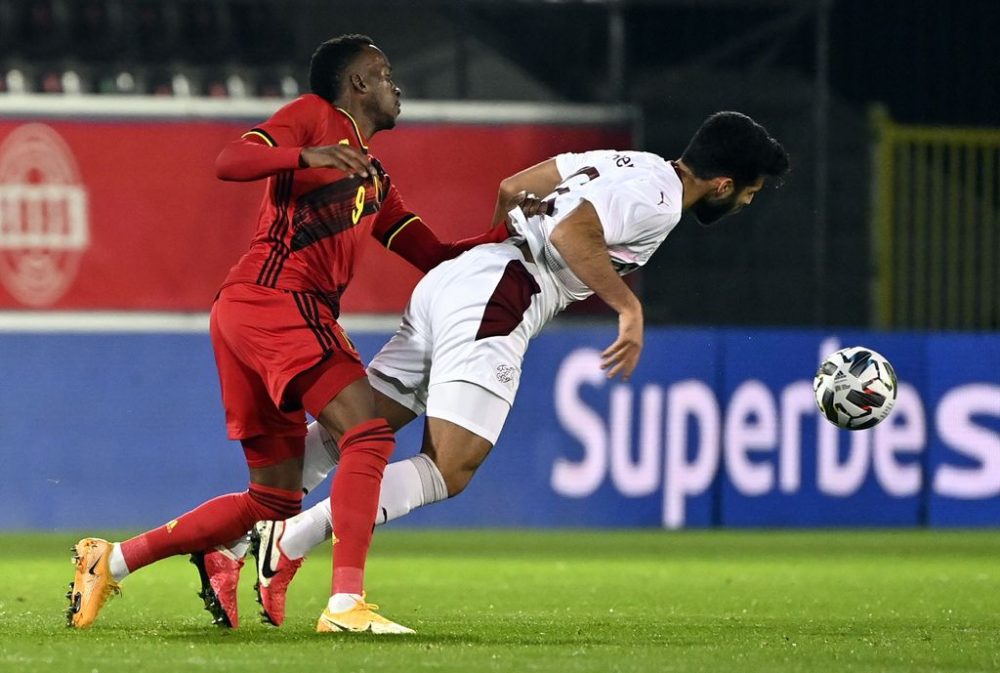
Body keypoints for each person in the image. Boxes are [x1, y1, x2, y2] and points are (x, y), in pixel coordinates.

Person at [200, 111, 791, 627]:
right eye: (750, 193)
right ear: (723, 182)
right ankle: (289, 536)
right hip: (503, 293)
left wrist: (492, 251)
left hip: (467, 275)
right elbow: (571, 231)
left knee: (356, 427)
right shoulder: (660, 200)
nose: (746, 203)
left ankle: (230, 539)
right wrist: (629, 308)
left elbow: (514, 186)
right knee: (452, 466)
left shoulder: (629, 161)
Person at [66, 34, 511, 635]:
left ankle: (110, 559)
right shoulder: (314, 118)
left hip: (255, 314)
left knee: (272, 501)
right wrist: (308, 156)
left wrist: (506, 236)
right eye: (383, 73)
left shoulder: (374, 178)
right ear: (356, 85)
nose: (395, 85)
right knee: (369, 434)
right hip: (276, 303)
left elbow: (433, 255)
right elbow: (231, 161)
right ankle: (347, 603)